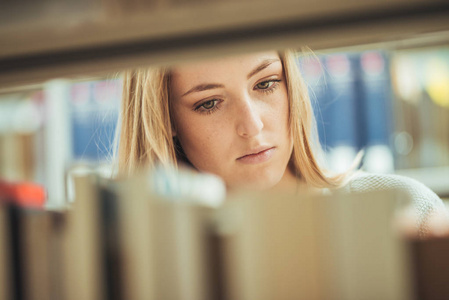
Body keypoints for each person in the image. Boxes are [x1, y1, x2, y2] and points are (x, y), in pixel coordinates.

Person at [117, 49, 448, 237]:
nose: (253, 124)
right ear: (166, 121)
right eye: (209, 103)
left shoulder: (406, 207)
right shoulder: (149, 256)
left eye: (266, 83)